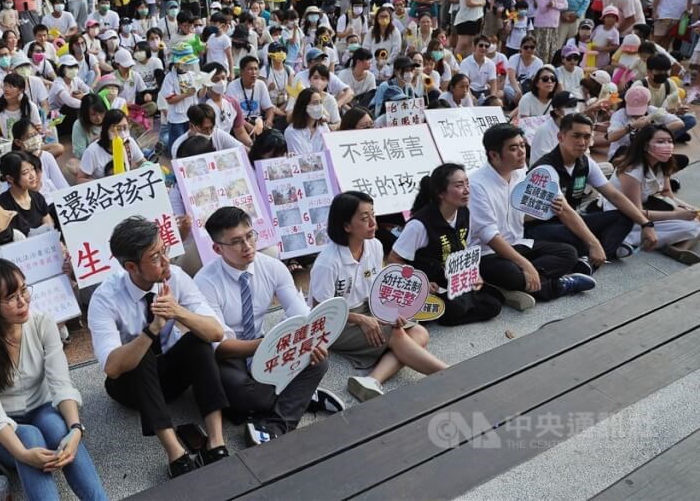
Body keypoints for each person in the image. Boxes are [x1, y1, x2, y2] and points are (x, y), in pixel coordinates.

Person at [87, 217, 228, 479]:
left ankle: (216, 441)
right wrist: (152, 329)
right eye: (155, 257)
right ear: (131, 266)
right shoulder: (105, 298)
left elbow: (216, 331)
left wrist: (178, 312)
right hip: (130, 387)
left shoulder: (176, 277)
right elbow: (113, 367)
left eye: (164, 250)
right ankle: (175, 451)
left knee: (197, 340)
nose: (165, 261)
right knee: (139, 353)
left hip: (170, 376)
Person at [0, 259, 108, 500]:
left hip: (43, 410)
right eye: (11, 297)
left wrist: (76, 429)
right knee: (29, 437)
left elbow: (60, 383)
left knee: (58, 428)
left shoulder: (43, 323)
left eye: (24, 290)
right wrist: (23, 454)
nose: (23, 301)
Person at [196, 207, 341, 445]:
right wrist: (269, 345)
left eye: (250, 236)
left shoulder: (271, 266)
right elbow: (221, 347)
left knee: (319, 360)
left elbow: (302, 315)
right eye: (236, 242)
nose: (247, 246)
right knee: (244, 394)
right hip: (229, 355)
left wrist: (309, 341)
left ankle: (276, 425)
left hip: (263, 342)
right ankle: (300, 396)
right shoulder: (205, 282)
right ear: (217, 248)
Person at [309, 191, 448, 401]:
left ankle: (372, 380)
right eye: (364, 219)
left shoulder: (374, 245)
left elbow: (376, 288)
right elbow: (321, 312)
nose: (373, 223)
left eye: (373, 215)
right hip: (335, 322)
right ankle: (448, 374)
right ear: (346, 226)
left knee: (419, 333)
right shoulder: (328, 262)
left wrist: (389, 311)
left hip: (366, 308)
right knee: (396, 334)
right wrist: (363, 319)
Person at [469, 123, 596, 311]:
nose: (521, 152)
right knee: (512, 273)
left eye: (522, 145)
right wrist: (525, 265)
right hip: (488, 254)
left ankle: (520, 285)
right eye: (513, 148)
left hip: (518, 243)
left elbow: (521, 214)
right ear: (494, 155)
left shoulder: (520, 171)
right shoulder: (476, 185)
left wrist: (547, 209)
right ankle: (554, 286)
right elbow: (490, 236)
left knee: (568, 252)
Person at [529, 113, 659, 261]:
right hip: (541, 227)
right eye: (576, 136)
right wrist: (593, 243)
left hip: (572, 220)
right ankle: (595, 252)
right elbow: (564, 212)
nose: (582, 142)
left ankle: (594, 256)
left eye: (586, 137)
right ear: (561, 137)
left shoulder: (585, 162)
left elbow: (614, 195)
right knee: (578, 237)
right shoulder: (545, 169)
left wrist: (646, 223)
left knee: (624, 217)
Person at [388, 164, 503, 326]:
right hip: (429, 283)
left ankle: (453, 307)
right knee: (455, 308)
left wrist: (473, 273)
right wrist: (421, 282)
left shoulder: (464, 212)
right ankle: (433, 309)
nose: (467, 190)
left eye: (467, 183)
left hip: (451, 279)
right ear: (441, 193)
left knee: (494, 304)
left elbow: (464, 249)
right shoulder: (419, 225)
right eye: (459, 185)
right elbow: (393, 259)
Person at [604, 125, 700, 264]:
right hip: (626, 216)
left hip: (647, 209)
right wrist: (677, 215)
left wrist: (693, 210)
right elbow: (637, 212)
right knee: (690, 226)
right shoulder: (631, 171)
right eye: (661, 142)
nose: (668, 146)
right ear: (645, 145)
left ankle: (681, 248)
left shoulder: (662, 163)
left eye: (670, 141)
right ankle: (634, 239)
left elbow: (668, 195)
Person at [77, 108, 145, 181]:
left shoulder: (129, 142)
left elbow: (142, 162)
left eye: (125, 128)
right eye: (118, 129)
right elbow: (80, 179)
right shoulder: (92, 151)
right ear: (106, 129)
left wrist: (149, 166)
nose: (122, 133)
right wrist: (103, 184)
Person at [0, 151, 53, 235]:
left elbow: (49, 226)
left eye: (32, 169)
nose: (32, 175)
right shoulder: (1, 206)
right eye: (25, 173)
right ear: (10, 178)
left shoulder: (38, 197)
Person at [284, 87, 330, 155]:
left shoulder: (324, 127)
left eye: (320, 102)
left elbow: (328, 152)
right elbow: (300, 158)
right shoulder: (292, 132)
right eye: (315, 103)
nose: (319, 106)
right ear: (304, 106)